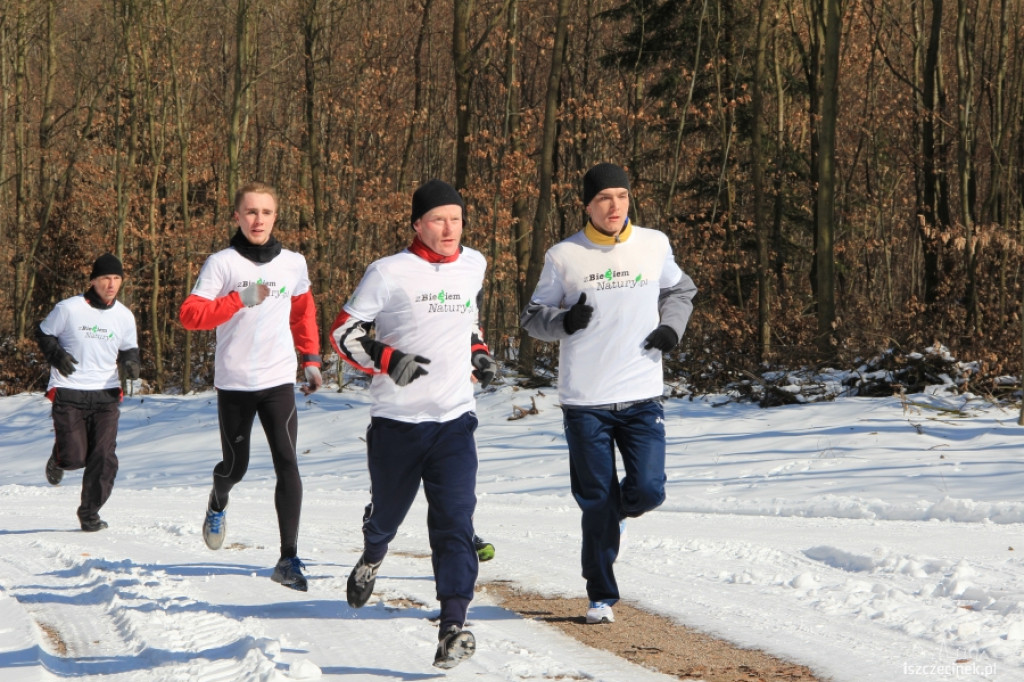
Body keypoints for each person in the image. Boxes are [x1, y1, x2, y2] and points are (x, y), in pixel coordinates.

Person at [521, 162, 697, 625]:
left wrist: (671, 329)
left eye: (621, 195)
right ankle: (601, 596)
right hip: (586, 401)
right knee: (596, 500)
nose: (614, 205)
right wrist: (564, 321)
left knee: (649, 490)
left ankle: (614, 513)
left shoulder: (654, 244)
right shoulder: (564, 255)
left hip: (642, 393)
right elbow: (532, 317)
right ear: (588, 205)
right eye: (604, 198)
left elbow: (681, 291)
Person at [330, 179, 495, 669]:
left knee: (455, 522)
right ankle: (372, 555)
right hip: (397, 424)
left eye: (456, 219)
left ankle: (452, 627)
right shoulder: (388, 272)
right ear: (418, 224)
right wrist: (386, 358)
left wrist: (479, 353)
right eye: (438, 220)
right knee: (386, 518)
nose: (449, 229)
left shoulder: (474, 264)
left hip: (454, 420)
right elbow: (343, 333)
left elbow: (467, 320)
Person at [179, 181, 323, 592]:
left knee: (287, 462)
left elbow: (302, 313)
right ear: (237, 216)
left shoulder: (293, 263)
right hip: (235, 382)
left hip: (278, 380)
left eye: (266, 212)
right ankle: (218, 500)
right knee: (235, 468)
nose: (258, 220)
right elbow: (190, 315)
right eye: (251, 212)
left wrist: (311, 360)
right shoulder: (222, 264)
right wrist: (238, 299)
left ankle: (288, 558)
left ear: (275, 217)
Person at [37, 253, 140, 532]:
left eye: (116, 278)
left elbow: (129, 348)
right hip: (69, 389)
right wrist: (56, 355)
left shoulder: (124, 315)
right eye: (105, 278)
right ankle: (60, 457)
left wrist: (131, 362)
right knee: (75, 457)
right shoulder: (69, 309)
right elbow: (43, 332)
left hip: (106, 393)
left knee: (104, 456)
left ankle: (89, 513)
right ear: (93, 280)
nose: (111, 284)